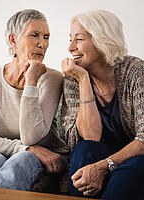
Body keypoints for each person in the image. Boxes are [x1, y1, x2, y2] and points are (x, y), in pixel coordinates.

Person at [0, 9, 69, 192]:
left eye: (46, 37)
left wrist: (31, 82)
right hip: (13, 153)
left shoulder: (53, 78)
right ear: (13, 40)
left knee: (20, 161)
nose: (42, 44)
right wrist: (29, 148)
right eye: (34, 35)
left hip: (45, 156)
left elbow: (31, 136)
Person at [61, 9, 144, 199]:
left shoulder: (135, 71)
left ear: (102, 40)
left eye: (79, 39)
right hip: (100, 155)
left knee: (134, 167)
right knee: (84, 150)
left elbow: (143, 140)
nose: (70, 48)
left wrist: (104, 166)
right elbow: (89, 138)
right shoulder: (74, 79)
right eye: (70, 39)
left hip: (135, 159)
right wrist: (83, 80)